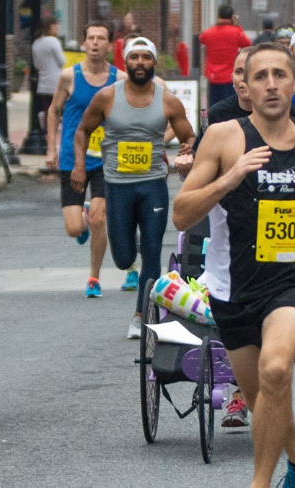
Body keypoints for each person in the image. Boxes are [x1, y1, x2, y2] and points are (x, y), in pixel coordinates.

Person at [172, 42, 295, 488]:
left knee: (276, 369)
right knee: (261, 402)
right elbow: (182, 214)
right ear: (245, 88)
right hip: (233, 288)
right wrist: (230, 177)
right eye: (260, 76)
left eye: (280, 74)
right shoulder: (223, 137)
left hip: (292, 281)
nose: (271, 84)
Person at [70, 37, 196, 339]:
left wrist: (187, 150)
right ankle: (130, 239)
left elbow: (189, 135)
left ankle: (140, 316)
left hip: (153, 185)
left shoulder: (168, 101)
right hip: (117, 186)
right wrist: (79, 166)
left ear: (154, 62)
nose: (140, 62)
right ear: (125, 62)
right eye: (135, 57)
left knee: (152, 251)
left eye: (146, 57)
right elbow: (83, 130)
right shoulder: (106, 97)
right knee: (124, 258)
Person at [46, 22, 135, 298]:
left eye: (100, 38)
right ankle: (82, 215)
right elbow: (54, 111)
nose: (95, 42)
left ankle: (94, 278)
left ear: (109, 45)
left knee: (99, 219)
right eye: (91, 38)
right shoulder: (68, 77)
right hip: (73, 158)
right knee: (75, 228)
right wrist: (51, 149)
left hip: (107, 159)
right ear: (84, 43)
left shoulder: (120, 79)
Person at [199, 4, 251, 108]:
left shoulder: (209, 33)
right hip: (229, 75)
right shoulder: (236, 32)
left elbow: (202, 38)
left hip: (213, 76)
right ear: (232, 17)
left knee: (213, 106)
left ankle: (211, 119)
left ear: (218, 15)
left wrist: (216, 24)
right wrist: (237, 25)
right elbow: (247, 43)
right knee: (230, 105)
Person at [32, 16, 66, 134]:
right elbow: (62, 61)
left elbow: (36, 65)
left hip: (43, 84)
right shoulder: (53, 41)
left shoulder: (36, 43)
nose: (58, 27)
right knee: (61, 109)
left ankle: (47, 132)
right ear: (50, 26)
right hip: (57, 82)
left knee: (48, 110)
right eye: (56, 25)